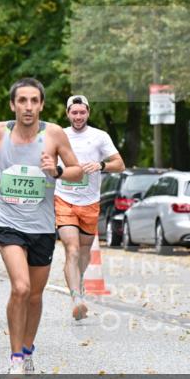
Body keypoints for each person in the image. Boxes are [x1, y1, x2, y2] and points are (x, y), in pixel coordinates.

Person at [0, 78, 83, 379]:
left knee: (34, 295)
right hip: (8, 221)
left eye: (34, 101)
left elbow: (78, 174)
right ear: (13, 105)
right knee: (20, 287)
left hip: (42, 226)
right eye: (22, 100)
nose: (28, 107)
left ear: (42, 105)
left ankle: (27, 348)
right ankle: (15, 358)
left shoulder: (54, 135)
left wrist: (57, 170)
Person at [56, 95, 124, 319]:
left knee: (84, 252)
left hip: (90, 202)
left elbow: (119, 164)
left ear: (88, 113)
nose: (78, 117)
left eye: (81, 112)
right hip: (64, 198)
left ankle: (79, 281)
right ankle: (76, 298)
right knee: (72, 249)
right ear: (67, 114)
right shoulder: (59, 135)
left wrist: (100, 165)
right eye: (74, 113)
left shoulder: (99, 136)